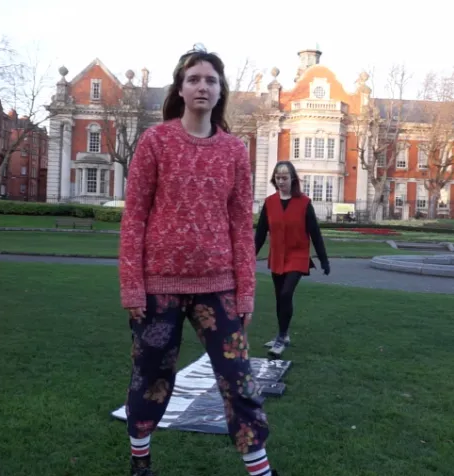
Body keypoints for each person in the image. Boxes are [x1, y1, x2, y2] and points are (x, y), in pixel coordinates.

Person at [119, 44, 279, 476]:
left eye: (210, 79)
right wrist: (132, 285)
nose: (202, 86)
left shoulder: (233, 152)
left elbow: (240, 228)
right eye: (194, 79)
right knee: (151, 376)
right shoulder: (156, 141)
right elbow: (134, 217)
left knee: (239, 380)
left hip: (218, 287)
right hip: (158, 287)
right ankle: (140, 459)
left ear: (221, 89)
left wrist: (246, 292)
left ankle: (260, 470)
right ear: (181, 88)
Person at [254, 161, 330, 359]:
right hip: (277, 256)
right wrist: (249, 258)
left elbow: (315, 233)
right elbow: (260, 234)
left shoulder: (304, 203)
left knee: (286, 293)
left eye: (285, 178)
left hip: (297, 256)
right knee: (280, 297)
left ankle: (280, 338)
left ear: (293, 179)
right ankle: (284, 334)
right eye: (278, 178)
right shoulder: (269, 203)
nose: (281, 181)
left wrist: (324, 260)